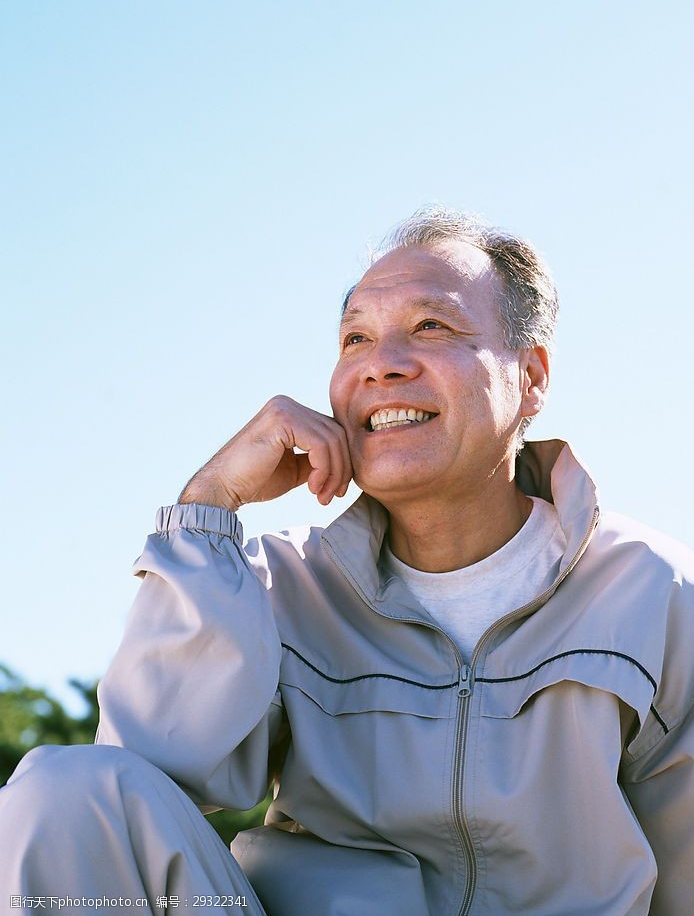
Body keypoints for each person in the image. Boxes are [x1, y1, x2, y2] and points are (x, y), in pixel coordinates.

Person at [2, 207, 692, 916]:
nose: (380, 363)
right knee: (61, 786)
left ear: (532, 376)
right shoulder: (280, 588)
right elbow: (124, 792)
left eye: (432, 327)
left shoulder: (653, 594)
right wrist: (208, 504)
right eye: (356, 337)